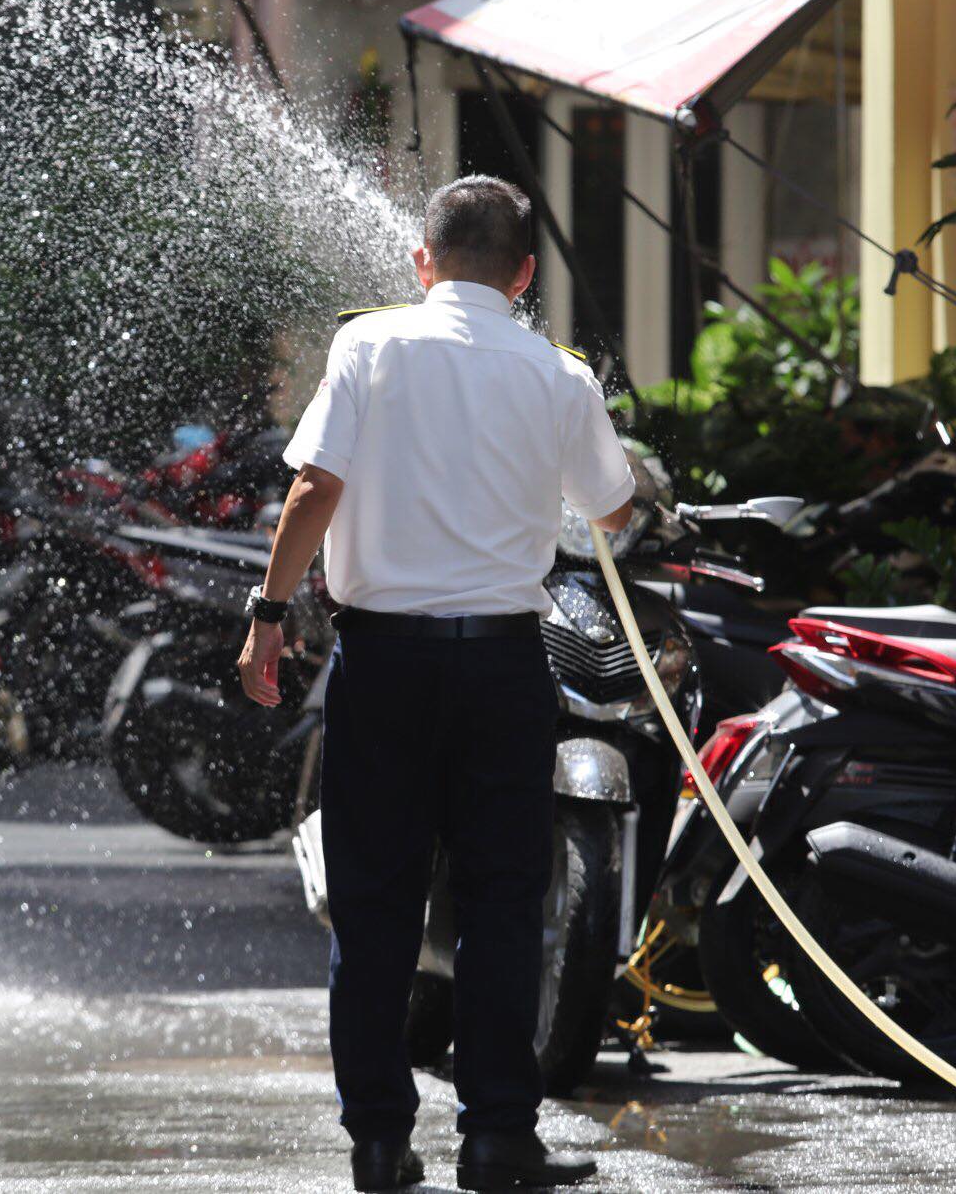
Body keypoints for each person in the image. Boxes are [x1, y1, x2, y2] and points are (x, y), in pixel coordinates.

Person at [239, 175, 635, 1192]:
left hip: (383, 662)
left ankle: (378, 1140)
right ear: (525, 274)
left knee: (375, 902)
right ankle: (498, 1139)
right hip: (505, 664)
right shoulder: (559, 375)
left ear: (422, 263)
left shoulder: (367, 345)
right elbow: (612, 509)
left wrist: (267, 618)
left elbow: (313, 484)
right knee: (504, 900)